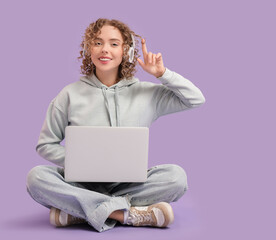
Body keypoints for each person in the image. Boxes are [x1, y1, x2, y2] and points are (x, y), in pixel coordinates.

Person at [26, 18, 205, 232]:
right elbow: (46, 144)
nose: (105, 50)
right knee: (36, 178)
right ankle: (126, 215)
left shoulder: (147, 94)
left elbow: (195, 99)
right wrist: (79, 161)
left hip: (128, 184)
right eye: (98, 42)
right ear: (88, 49)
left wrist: (162, 74)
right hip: (82, 183)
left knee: (176, 177)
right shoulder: (69, 94)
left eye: (114, 44)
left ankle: (80, 211)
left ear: (126, 51)